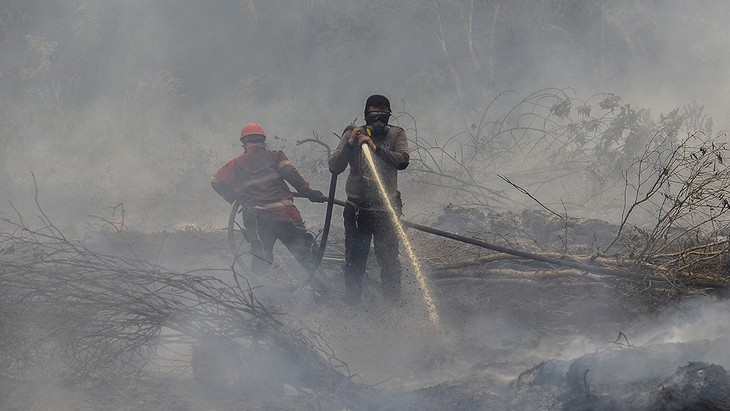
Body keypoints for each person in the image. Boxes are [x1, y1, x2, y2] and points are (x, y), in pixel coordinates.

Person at [211, 122, 326, 275]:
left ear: (244, 143)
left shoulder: (235, 165)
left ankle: (260, 294)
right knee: (309, 258)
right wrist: (308, 191)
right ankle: (324, 291)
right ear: (263, 141)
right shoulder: (275, 156)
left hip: (258, 220)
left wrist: (235, 197)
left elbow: (216, 182)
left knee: (261, 259)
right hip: (285, 216)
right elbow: (291, 174)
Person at [328, 94, 410, 303]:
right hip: (357, 210)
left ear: (389, 115)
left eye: (382, 116)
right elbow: (334, 166)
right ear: (365, 115)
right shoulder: (352, 134)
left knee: (390, 263)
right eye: (373, 115)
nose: (378, 121)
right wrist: (350, 144)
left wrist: (376, 148)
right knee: (355, 263)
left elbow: (402, 161)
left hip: (386, 210)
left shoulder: (396, 134)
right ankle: (353, 308)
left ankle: (394, 310)